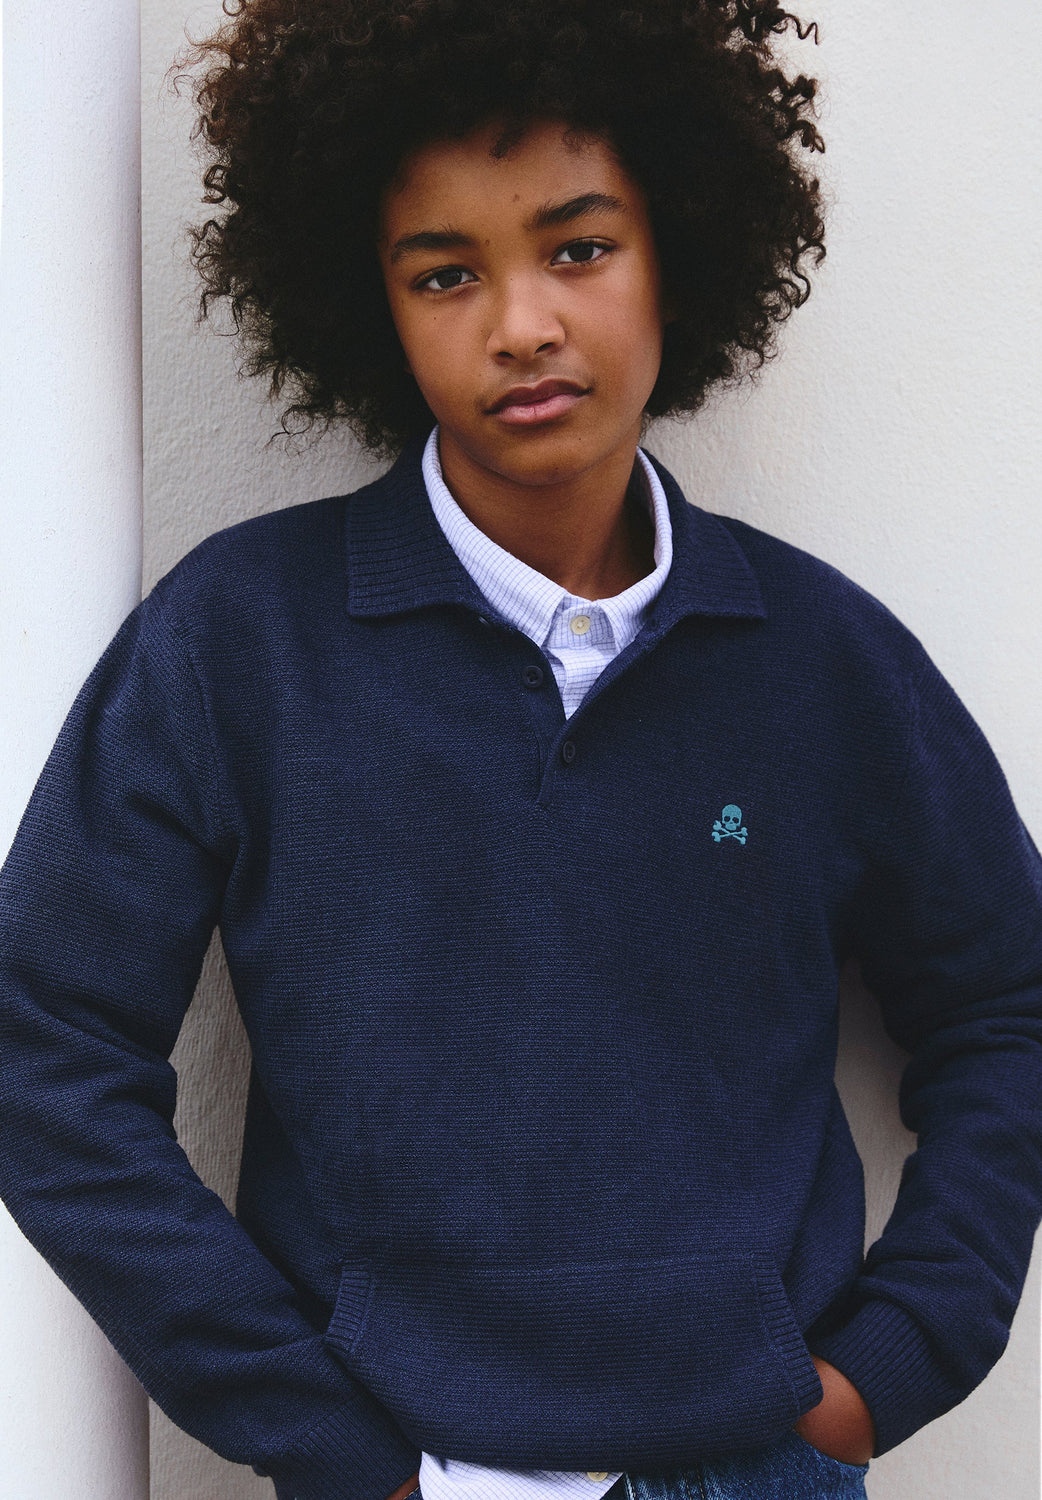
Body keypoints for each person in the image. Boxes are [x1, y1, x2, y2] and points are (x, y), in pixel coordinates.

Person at [1, 3, 1040, 1499]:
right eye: (445, 273)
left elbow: (1007, 1004)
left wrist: (893, 1361)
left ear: (678, 247)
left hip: (755, 1469)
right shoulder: (239, 642)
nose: (521, 325)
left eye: (579, 247)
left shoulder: (823, 663)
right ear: (369, 302)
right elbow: (42, 1044)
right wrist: (321, 1434)